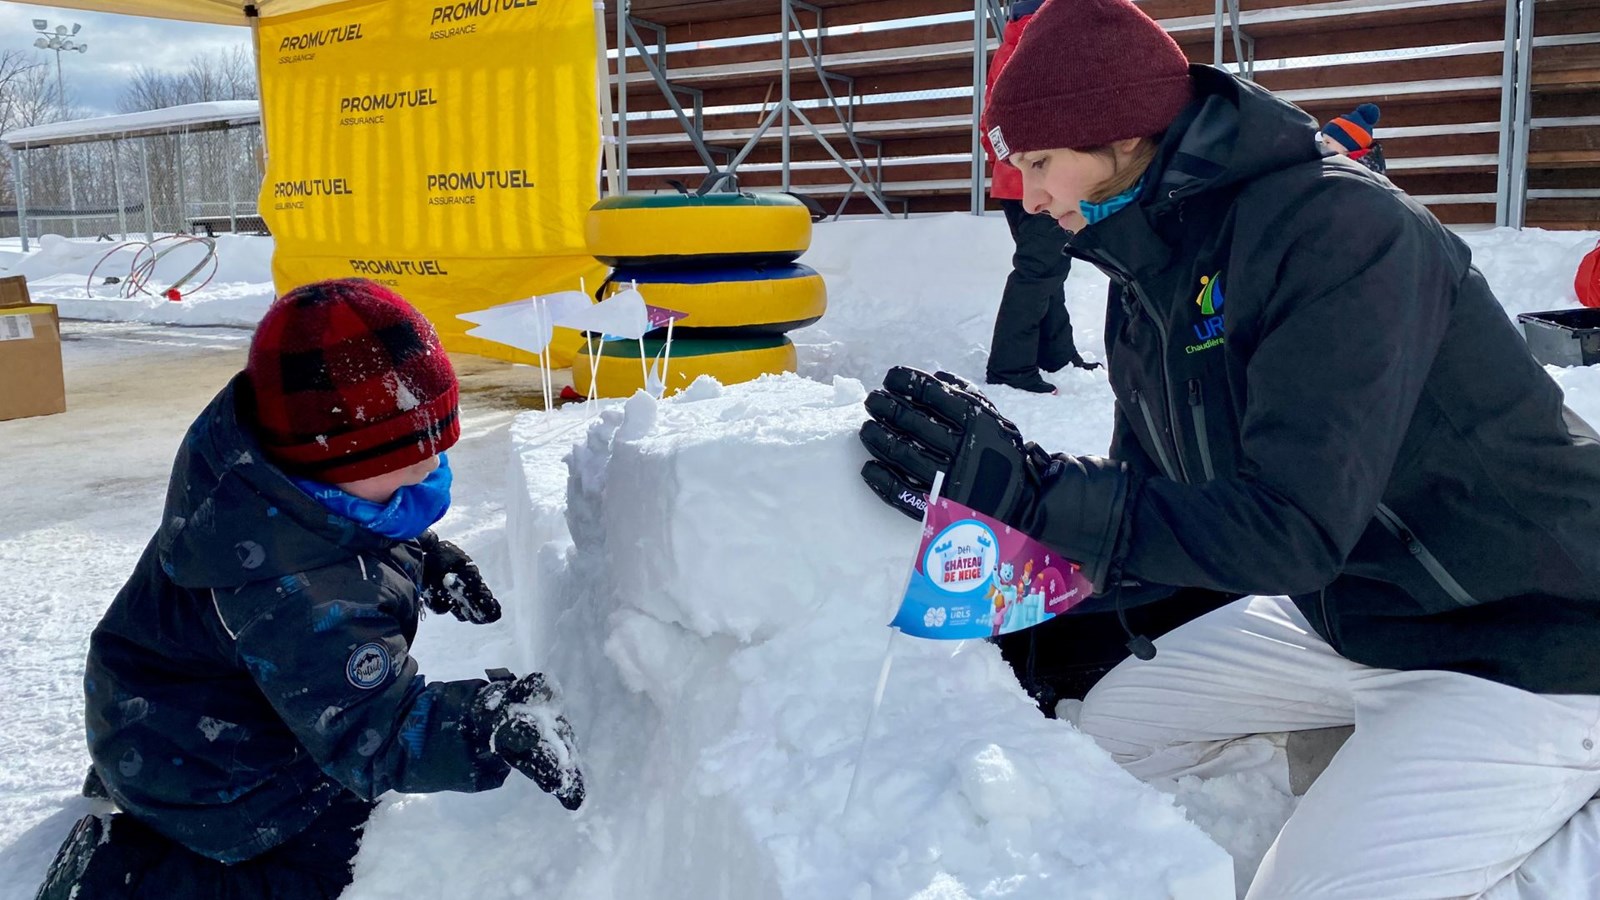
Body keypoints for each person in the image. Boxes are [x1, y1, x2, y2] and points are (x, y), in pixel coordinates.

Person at [857, 0, 1600, 895]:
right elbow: (1151, 491)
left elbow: (1290, 530)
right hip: (1357, 611)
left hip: (1529, 635)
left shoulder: (1338, 232)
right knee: (1110, 736)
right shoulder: (1152, 263)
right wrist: (1017, 574)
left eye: (1040, 163)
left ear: (1117, 133)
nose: (1030, 195)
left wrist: (1039, 491)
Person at [36, 279, 585, 900]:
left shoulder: (263, 487)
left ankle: (141, 787)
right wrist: (483, 724)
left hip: (160, 716)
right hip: (206, 766)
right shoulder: (290, 593)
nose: (431, 467)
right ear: (329, 462)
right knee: (324, 862)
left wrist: (424, 561)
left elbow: (351, 536)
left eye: (439, 444)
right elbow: (373, 734)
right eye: (403, 462)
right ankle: (122, 875)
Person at [981, 0, 1099, 394]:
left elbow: (990, 122)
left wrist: (1006, 165)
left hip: (1013, 185)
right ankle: (1010, 369)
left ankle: (1056, 353)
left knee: (1049, 268)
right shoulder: (1049, 44)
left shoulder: (1009, 47)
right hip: (1045, 184)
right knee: (1037, 273)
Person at [1320, 102, 1386, 174]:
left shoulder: (1357, 171)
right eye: (1322, 141)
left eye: (1327, 142)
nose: (1323, 145)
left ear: (1347, 147)